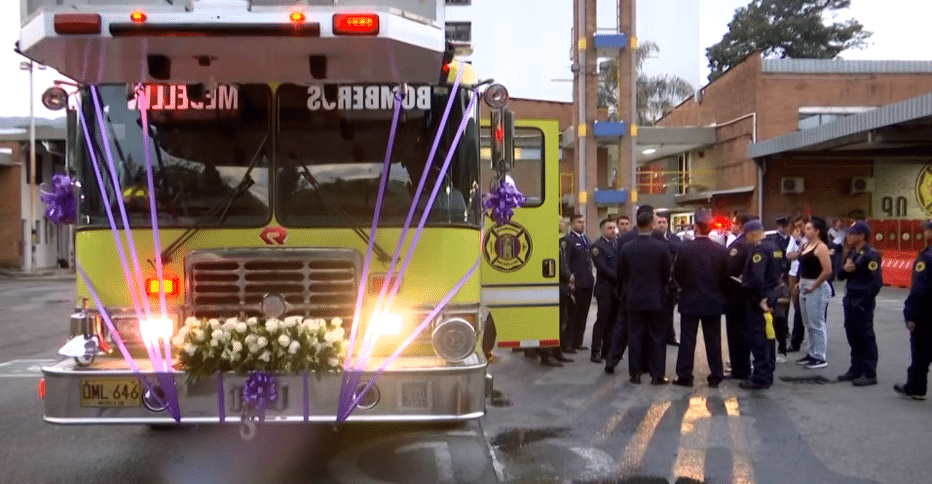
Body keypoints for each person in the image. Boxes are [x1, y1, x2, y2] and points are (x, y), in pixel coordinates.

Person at [672, 208, 729, 388]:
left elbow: (677, 273)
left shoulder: (684, 248)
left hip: (690, 299)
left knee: (687, 340)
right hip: (713, 300)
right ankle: (716, 375)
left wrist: (685, 286)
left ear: (695, 226)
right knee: (713, 340)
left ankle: (685, 375)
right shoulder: (720, 250)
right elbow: (725, 276)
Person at [617, 210, 672, 385]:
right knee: (657, 337)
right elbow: (666, 273)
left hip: (634, 297)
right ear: (651, 225)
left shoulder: (627, 247)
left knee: (634, 336)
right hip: (656, 298)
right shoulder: (661, 247)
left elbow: (622, 274)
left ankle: (635, 373)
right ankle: (657, 375)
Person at [836, 220, 882, 386]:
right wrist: (845, 270)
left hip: (862, 302)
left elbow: (876, 283)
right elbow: (840, 275)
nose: (848, 237)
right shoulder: (854, 253)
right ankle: (856, 368)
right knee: (852, 335)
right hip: (850, 298)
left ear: (861, 236)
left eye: (851, 234)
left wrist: (862, 303)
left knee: (865, 336)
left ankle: (869, 373)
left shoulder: (871, 255)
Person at [738, 220, 782, 390]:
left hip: (759, 301)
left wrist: (760, 298)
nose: (746, 239)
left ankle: (760, 377)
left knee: (758, 338)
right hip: (771, 296)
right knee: (769, 336)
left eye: (746, 236)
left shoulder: (759, 250)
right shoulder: (774, 247)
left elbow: (757, 277)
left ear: (752, 234)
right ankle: (767, 371)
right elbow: (780, 271)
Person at [895, 220, 932, 400]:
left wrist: (910, 314)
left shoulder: (926, 257)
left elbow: (919, 289)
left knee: (921, 353)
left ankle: (917, 388)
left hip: (926, 312)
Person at [795, 216, 834, 370]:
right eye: (806, 228)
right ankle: (811, 353)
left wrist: (814, 285)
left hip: (817, 287)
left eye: (809, 228)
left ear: (817, 231)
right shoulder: (806, 245)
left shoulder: (821, 247)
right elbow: (803, 267)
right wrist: (799, 283)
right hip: (804, 285)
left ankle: (819, 356)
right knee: (807, 323)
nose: (805, 230)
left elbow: (827, 270)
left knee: (816, 323)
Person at [724, 213, 755, 380]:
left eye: (735, 223)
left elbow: (729, 267)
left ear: (741, 225)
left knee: (737, 332)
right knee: (744, 331)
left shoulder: (741, 244)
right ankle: (742, 365)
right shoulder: (752, 243)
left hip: (736, 294)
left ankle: (740, 369)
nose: (733, 226)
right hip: (747, 294)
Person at [561, 214, 594, 354]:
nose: (582, 224)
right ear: (572, 224)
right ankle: (568, 344)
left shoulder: (586, 239)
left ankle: (578, 342)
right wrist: (569, 280)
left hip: (587, 282)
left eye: (583, 222)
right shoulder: (568, 240)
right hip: (576, 282)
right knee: (572, 315)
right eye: (579, 222)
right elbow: (566, 261)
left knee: (583, 314)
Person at [590, 218, 620, 363]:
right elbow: (602, 268)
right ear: (602, 230)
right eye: (609, 228)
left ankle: (607, 351)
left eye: (614, 228)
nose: (613, 230)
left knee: (613, 321)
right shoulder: (597, 246)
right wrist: (620, 277)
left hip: (616, 289)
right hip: (605, 288)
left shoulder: (618, 244)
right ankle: (595, 351)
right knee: (602, 320)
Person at [766, 216, 793, 361]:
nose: (786, 229)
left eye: (788, 226)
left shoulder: (791, 239)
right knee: (777, 307)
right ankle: (781, 328)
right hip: (779, 272)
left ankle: (784, 327)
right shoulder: (774, 239)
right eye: (784, 226)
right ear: (779, 226)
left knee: (784, 303)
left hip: (790, 272)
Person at [655, 214, 682, 346]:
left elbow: (679, 255)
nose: (661, 224)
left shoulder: (675, 239)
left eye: (664, 222)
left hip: (672, 283)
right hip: (657, 282)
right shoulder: (653, 239)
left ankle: (670, 336)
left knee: (670, 311)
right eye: (659, 222)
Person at [786, 215, 808, 352]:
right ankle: (797, 338)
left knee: (803, 309)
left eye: (801, 225)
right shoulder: (794, 238)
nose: (799, 229)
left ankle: (798, 339)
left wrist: (800, 249)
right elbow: (789, 255)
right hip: (793, 273)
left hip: (806, 275)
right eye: (797, 226)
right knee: (796, 307)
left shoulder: (809, 239)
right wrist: (800, 251)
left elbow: (806, 255)